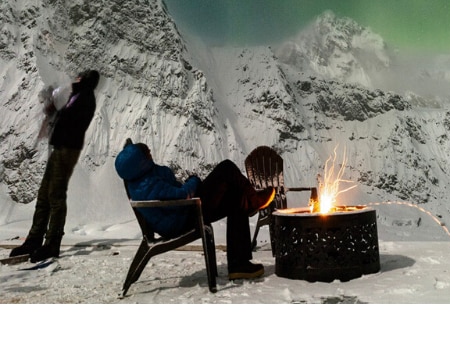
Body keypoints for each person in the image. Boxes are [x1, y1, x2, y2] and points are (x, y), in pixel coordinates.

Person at [114, 140, 275, 280]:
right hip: (183, 218)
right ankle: (254, 201)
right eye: (147, 154)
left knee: (236, 198)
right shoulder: (148, 184)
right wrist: (194, 180)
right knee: (226, 168)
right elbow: (182, 195)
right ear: (140, 162)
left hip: (182, 214)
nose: (151, 155)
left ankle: (239, 265)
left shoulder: (141, 179)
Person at [10, 70, 100, 262]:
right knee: (44, 194)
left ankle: (52, 242)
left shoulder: (84, 98)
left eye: (79, 77)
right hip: (60, 147)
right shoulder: (78, 96)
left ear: (84, 80)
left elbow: (69, 120)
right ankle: (34, 239)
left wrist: (54, 109)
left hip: (67, 149)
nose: (76, 78)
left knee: (55, 195)